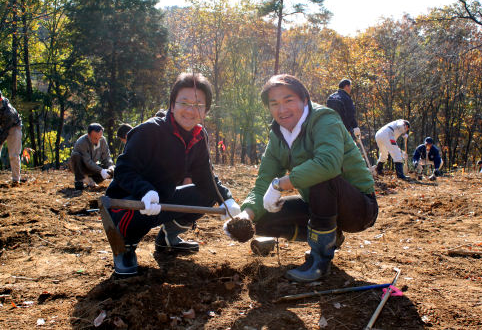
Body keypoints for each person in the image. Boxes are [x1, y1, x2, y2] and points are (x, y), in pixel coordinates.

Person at [226, 74, 377, 282]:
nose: (282, 110)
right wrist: (246, 215)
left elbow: (327, 164)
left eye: (289, 100)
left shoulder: (325, 119)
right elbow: (263, 181)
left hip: (358, 208)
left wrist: (280, 185)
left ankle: (319, 261)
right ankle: (331, 238)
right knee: (260, 220)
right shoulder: (277, 135)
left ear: (304, 100)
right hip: (318, 207)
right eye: (274, 104)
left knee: (322, 177)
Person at [105, 73, 240, 276]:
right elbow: (124, 170)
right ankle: (125, 246)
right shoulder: (149, 131)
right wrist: (145, 191)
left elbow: (206, 177)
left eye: (198, 105)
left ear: (206, 110)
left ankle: (169, 237)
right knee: (138, 211)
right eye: (184, 103)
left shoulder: (199, 136)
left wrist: (227, 199)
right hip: (127, 202)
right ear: (172, 104)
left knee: (207, 194)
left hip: (164, 198)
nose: (190, 110)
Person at [69, 123, 115, 190]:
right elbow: (87, 162)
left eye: (100, 137)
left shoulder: (103, 140)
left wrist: (110, 167)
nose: (98, 140)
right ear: (88, 135)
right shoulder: (82, 142)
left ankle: (90, 180)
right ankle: (79, 181)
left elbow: (106, 156)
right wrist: (101, 170)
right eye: (95, 138)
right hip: (81, 167)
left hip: (93, 167)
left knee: (111, 170)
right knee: (76, 155)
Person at [0, 90, 22, 184]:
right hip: (2, 127)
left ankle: (16, 180)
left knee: (13, 155)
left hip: (14, 127)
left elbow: (5, 132)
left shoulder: (8, 112)